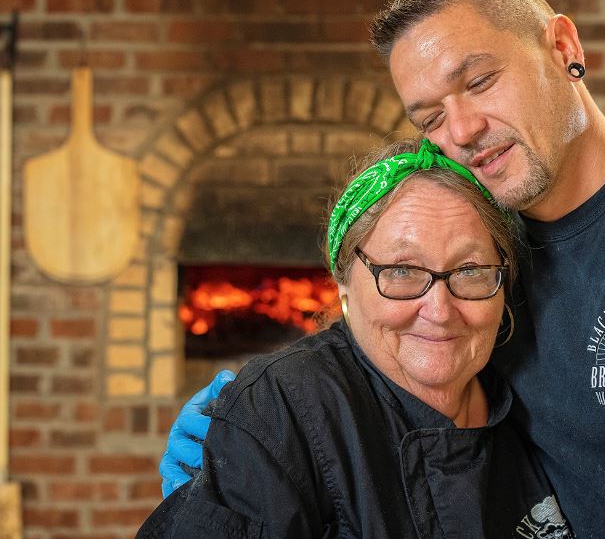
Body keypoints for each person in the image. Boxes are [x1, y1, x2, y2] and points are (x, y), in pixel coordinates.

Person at [162, 0, 605, 538]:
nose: (462, 130)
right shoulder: (480, 266)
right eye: (430, 118)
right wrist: (259, 427)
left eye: (481, 81)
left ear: (563, 48)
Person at [136, 138, 574, 539]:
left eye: (470, 270)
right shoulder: (282, 410)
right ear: (343, 284)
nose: (440, 311)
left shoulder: (537, 394)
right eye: (401, 270)